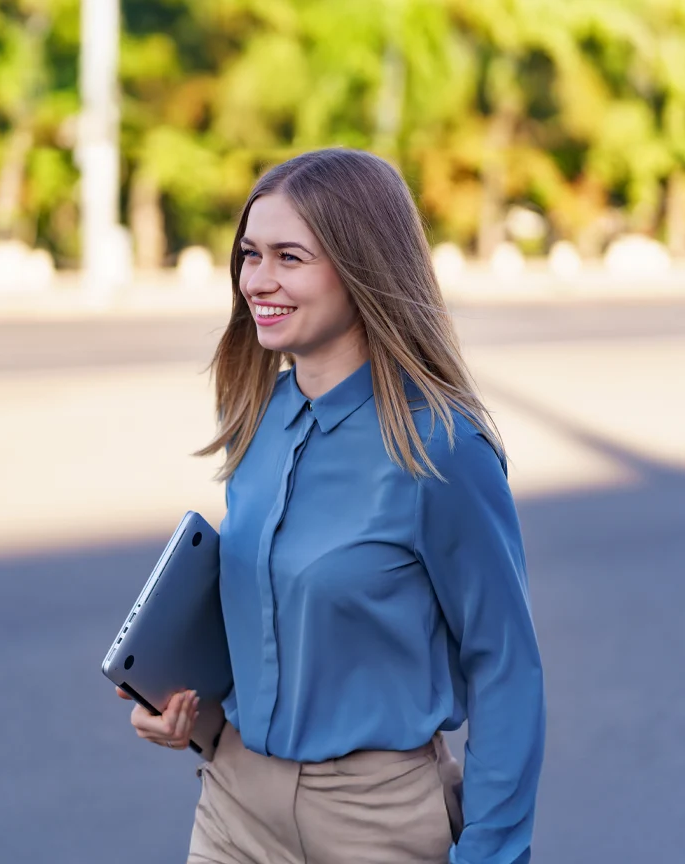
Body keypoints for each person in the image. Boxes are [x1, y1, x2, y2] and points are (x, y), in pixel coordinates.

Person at [117, 148, 545, 864]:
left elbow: (505, 668)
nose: (259, 279)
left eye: (290, 256)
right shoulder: (260, 417)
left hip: (375, 824)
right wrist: (185, 707)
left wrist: (493, 855)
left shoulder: (439, 448)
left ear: (361, 268)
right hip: (235, 805)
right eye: (251, 254)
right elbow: (274, 620)